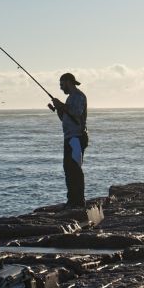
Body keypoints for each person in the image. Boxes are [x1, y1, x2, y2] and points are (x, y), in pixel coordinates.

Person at [48, 72, 88, 208]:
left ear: (68, 82)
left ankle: (78, 201)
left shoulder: (78, 96)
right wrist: (59, 108)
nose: (60, 87)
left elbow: (76, 112)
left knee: (75, 168)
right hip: (70, 137)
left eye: (62, 84)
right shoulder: (70, 98)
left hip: (77, 137)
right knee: (68, 169)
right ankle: (72, 200)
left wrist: (61, 105)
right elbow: (65, 118)